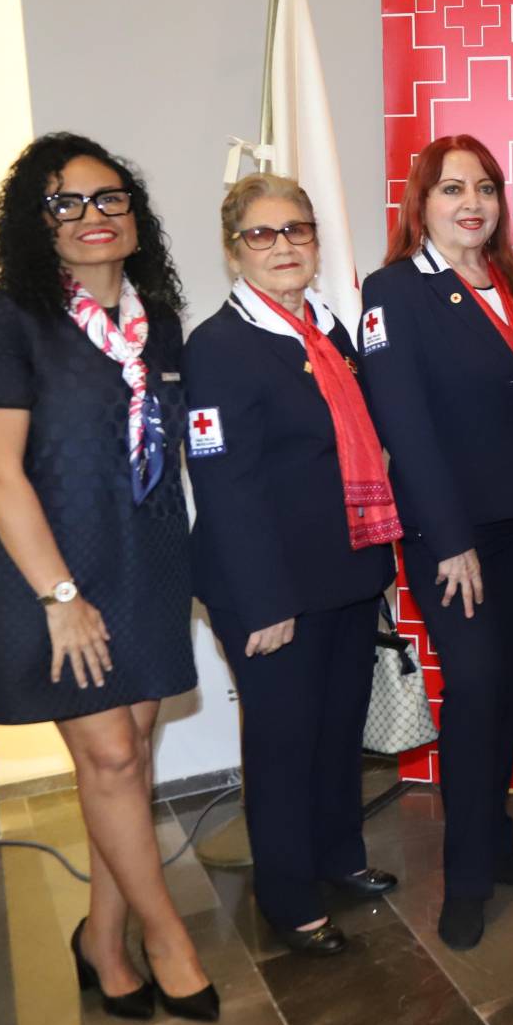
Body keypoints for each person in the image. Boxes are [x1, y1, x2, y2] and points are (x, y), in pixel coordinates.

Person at [0, 133, 216, 1021]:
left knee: (127, 762)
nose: (91, 216)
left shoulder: (161, 322)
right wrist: (61, 598)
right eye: (64, 203)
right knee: (109, 755)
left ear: (134, 216)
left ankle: (101, 940)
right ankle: (167, 939)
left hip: (145, 560)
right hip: (50, 573)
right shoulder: (6, 319)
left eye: (109, 198)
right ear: (36, 224)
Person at [184, 173, 401, 956]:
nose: (283, 246)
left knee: (338, 732)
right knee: (283, 743)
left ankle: (339, 856)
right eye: (262, 233)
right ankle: (288, 896)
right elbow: (225, 485)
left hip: (345, 574)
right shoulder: (217, 347)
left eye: (297, 230)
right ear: (234, 248)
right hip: (271, 591)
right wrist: (264, 599)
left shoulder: (327, 329)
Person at [359, 135, 513, 950]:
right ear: (422, 203)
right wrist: (448, 541)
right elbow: (404, 426)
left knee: (503, 690)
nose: (472, 203)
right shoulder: (394, 291)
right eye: (451, 189)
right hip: (454, 541)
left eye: (485, 188)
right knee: (472, 689)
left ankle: (494, 837)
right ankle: (465, 878)